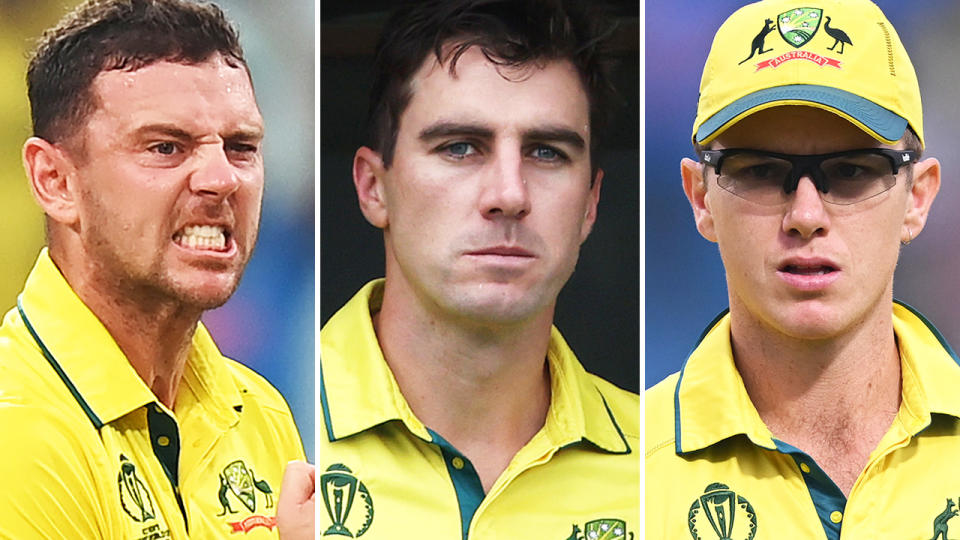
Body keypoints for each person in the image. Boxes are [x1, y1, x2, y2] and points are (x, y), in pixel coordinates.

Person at [319, 0, 639, 538]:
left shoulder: (664, 468)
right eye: (460, 147)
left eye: (546, 152)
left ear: (590, 204)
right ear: (374, 187)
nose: (509, 195)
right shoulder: (263, 420)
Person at [0, 0, 311, 537]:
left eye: (241, 147)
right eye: (166, 147)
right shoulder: (19, 429)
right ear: (54, 181)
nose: (221, 179)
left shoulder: (259, 409)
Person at [645, 0, 954, 538]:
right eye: (760, 170)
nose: (806, 217)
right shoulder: (629, 476)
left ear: (917, 198)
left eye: (853, 169)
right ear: (700, 198)